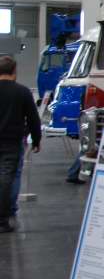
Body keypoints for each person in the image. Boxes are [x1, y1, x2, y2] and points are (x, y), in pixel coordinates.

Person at [0, 56, 42, 233]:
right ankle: (4, 217)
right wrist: (36, 140)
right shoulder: (23, 92)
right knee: (7, 178)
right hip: (12, 142)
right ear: (14, 71)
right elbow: (33, 118)